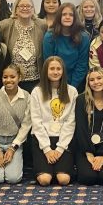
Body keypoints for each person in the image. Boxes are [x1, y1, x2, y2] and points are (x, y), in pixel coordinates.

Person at [29, 56, 78, 186]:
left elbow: (70, 122)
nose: (55, 72)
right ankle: (48, 170)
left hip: (63, 140)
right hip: (42, 139)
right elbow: (36, 122)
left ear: (63, 71)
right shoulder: (37, 92)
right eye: (52, 69)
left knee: (63, 180)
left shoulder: (72, 91)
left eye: (58, 69)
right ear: (46, 71)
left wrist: (60, 148)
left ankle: (58, 169)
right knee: (45, 180)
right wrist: (47, 149)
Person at [0, 65, 32, 184]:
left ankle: (3, 162)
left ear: (19, 78)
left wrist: (13, 148)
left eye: (12, 77)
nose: (8, 80)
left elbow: (26, 125)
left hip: (14, 141)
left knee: (13, 179)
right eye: (5, 77)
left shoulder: (26, 96)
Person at [74, 68, 103, 186]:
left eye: (99, 78)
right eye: (92, 80)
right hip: (86, 149)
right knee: (87, 177)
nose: (96, 82)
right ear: (88, 83)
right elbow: (80, 129)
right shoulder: (81, 100)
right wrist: (89, 153)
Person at [0, 0, 47, 91]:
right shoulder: (6, 25)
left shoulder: (42, 25)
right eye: (21, 6)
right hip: (13, 81)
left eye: (29, 6)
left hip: (36, 81)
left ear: (33, 10)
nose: (25, 8)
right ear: (15, 10)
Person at [43, 3, 91, 89]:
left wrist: (71, 87)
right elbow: (48, 64)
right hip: (54, 81)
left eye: (71, 15)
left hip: (76, 83)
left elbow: (82, 65)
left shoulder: (83, 37)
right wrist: (58, 85)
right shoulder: (49, 36)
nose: (67, 17)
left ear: (75, 18)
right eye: (64, 14)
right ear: (59, 17)